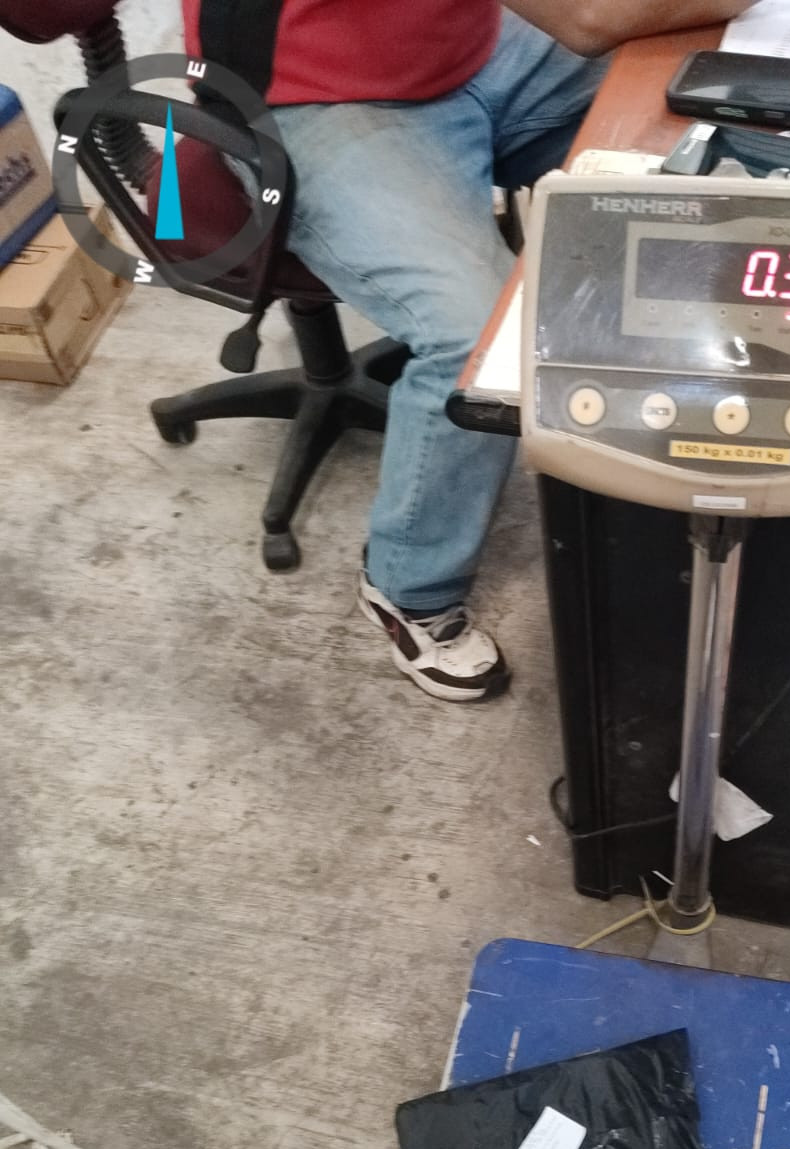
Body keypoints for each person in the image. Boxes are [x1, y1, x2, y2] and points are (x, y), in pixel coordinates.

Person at [184, 0, 750, 702]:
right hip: (305, 96)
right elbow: (590, 19)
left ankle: (700, 387)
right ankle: (410, 590)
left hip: (463, 45)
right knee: (478, 339)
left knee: (710, 93)